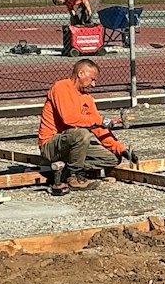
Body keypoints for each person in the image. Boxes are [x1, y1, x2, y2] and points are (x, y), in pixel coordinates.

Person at [38, 58, 137, 195]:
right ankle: (73, 176)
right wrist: (101, 120)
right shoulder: (61, 87)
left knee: (112, 158)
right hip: (51, 144)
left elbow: (98, 127)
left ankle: (65, 170)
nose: (94, 84)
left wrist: (120, 149)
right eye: (92, 79)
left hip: (72, 143)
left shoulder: (87, 98)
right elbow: (69, 119)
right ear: (81, 74)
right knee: (82, 134)